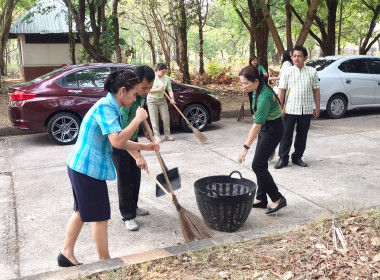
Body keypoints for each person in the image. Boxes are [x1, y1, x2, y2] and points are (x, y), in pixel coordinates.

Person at [58, 69, 160, 267]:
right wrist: (138, 119)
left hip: (80, 165)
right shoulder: (107, 107)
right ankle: (104, 261)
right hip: (86, 168)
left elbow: (120, 141)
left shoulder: (111, 106)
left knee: (81, 211)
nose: (135, 99)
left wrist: (144, 147)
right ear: (123, 91)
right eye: (134, 94)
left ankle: (66, 254)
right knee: (99, 216)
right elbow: (116, 141)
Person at [238, 65, 287, 215]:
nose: (243, 86)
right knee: (261, 163)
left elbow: (257, 125)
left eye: (246, 83)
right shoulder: (256, 90)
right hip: (267, 126)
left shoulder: (264, 96)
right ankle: (261, 198)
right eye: (241, 83)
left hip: (273, 129)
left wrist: (245, 147)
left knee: (258, 165)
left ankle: (277, 198)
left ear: (256, 81)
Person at [112, 66, 155, 231]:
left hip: (133, 137)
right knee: (125, 178)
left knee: (136, 175)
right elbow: (122, 136)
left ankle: (134, 207)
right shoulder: (125, 102)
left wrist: (147, 132)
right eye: (144, 87)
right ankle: (127, 216)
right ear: (134, 83)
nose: (147, 91)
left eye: (150, 88)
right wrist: (138, 155)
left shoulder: (140, 97)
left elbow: (142, 117)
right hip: (120, 142)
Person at [274, 45, 320, 169]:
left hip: (306, 110)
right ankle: (283, 159)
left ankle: (297, 157)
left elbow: (316, 90)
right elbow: (281, 91)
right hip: (289, 109)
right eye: (294, 56)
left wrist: (317, 107)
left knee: (302, 135)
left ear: (305, 57)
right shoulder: (287, 71)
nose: (296, 58)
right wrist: (280, 108)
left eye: (299, 56)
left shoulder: (312, 72)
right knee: (286, 135)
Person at [147, 63, 176, 141]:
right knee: (154, 119)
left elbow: (170, 89)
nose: (164, 73)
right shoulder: (151, 77)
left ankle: (167, 135)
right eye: (162, 71)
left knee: (166, 118)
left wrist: (172, 98)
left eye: (165, 72)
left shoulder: (166, 78)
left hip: (162, 100)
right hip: (152, 100)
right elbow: (147, 90)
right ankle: (157, 137)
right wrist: (158, 89)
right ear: (157, 70)